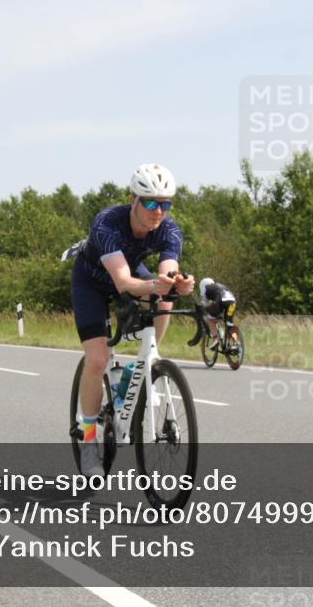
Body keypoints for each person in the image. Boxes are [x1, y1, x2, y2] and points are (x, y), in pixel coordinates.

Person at [71, 164, 195, 476]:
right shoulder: (107, 224)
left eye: (165, 204)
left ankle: (147, 362)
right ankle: (88, 442)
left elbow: (166, 272)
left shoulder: (169, 230)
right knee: (97, 360)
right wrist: (155, 284)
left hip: (129, 273)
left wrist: (178, 283)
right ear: (133, 200)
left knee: (164, 297)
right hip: (93, 280)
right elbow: (124, 281)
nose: (158, 211)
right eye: (151, 203)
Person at [198, 278, 237, 350]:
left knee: (209, 319)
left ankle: (216, 339)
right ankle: (236, 343)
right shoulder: (220, 286)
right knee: (229, 323)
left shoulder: (206, 288)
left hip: (221, 301)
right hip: (232, 302)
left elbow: (204, 303)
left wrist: (203, 308)